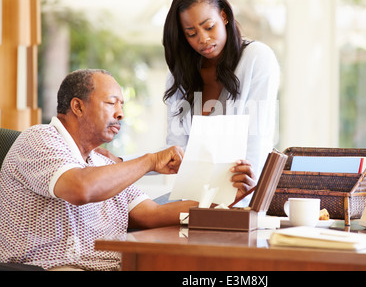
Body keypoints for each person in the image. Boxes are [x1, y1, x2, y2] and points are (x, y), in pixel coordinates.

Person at [0, 69, 254, 271]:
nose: (120, 114)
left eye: (122, 105)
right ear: (77, 107)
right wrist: (150, 161)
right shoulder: (40, 139)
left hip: (117, 265)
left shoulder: (103, 165)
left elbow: (152, 214)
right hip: (52, 267)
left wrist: (224, 198)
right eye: (112, 104)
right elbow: (80, 188)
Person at [163, 0, 280, 180]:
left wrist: (248, 191)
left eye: (209, 27)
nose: (203, 39)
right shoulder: (179, 76)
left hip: (244, 190)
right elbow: (175, 149)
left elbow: (258, 139)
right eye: (191, 33)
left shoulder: (256, 58)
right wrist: (123, 161)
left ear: (224, 16)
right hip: (194, 195)